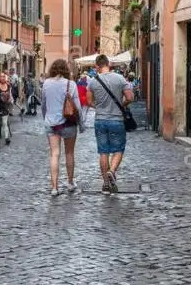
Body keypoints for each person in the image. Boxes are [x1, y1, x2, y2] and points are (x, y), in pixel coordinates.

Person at [87, 54, 134, 193]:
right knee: (118, 150)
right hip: (116, 120)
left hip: (100, 120)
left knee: (103, 152)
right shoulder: (120, 78)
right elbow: (130, 97)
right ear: (109, 64)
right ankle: (112, 171)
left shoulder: (93, 82)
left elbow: (88, 101)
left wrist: (99, 107)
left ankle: (106, 184)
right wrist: (121, 105)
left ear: (97, 66)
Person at [41, 59, 84, 196]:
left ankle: (54, 187)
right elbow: (78, 107)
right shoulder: (71, 84)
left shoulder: (46, 83)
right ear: (66, 70)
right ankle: (70, 183)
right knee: (69, 153)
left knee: (54, 154)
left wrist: (46, 118)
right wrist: (81, 124)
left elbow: (43, 104)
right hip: (68, 124)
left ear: (52, 70)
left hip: (51, 124)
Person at [0, 74, 14, 145]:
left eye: (4, 77)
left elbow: (10, 96)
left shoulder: (8, 86)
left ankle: (6, 138)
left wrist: (10, 100)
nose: (3, 78)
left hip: (5, 107)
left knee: (5, 123)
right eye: (1, 76)